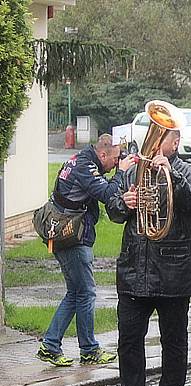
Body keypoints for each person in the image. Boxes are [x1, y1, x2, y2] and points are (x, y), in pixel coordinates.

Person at [102, 129, 191, 386]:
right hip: (135, 267)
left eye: (160, 138)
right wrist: (125, 202)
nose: (152, 144)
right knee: (128, 339)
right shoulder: (133, 171)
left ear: (174, 143)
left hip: (174, 270)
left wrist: (172, 176)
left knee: (173, 341)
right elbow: (112, 209)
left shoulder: (189, 172)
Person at [35, 134, 133, 367]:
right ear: (103, 154)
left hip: (67, 236)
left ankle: (50, 345)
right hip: (71, 239)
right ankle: (89, 350)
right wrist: (122, 172)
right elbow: (108, 194)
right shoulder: (85, 167)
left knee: (76, 293)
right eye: (116, 159)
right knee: (86, 293)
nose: (117, 163)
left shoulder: (82, 159)